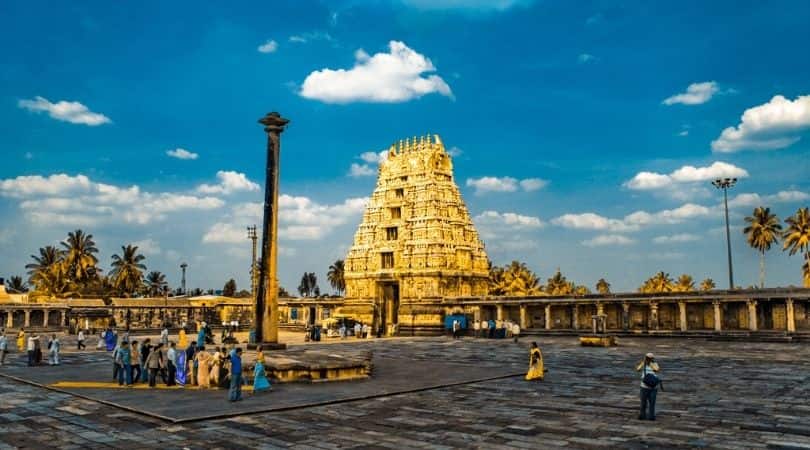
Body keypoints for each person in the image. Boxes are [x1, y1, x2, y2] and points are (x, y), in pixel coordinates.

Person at [636, 352, 661, 421]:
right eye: (647, 358)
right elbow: (638, 369)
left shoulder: (655, 364)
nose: (648, 359)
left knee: (652, 403)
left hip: (653, 387)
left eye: (650, 358)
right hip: (644, 386)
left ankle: (651, 416)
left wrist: (650, 364)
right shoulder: (643, 364)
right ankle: (642, 415)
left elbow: (657, 369)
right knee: (643, 402)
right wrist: (642, 363)